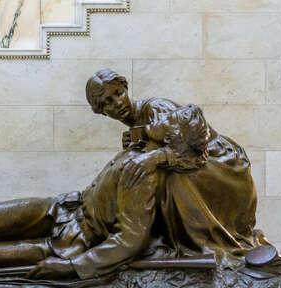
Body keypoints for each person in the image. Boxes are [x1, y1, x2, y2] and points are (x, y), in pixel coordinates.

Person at [0, 104, 212, 280]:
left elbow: (130, 240)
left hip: (73, 240)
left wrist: (72, 267)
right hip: (65, 207)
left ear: (172, 137)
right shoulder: (145, 145)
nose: (163, 115)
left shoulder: (145, 174)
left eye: (170, 120)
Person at [85, 69, 262, 267]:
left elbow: (191, 149)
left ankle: (193, 243)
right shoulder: (136, 127)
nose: (117, 103)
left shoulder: (155, 108)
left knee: (168, 175)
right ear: (101, 111)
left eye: (118, 93)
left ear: (126, 89)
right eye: (108, 102)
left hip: (225, 168)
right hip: (204, 167)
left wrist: (154, 157)